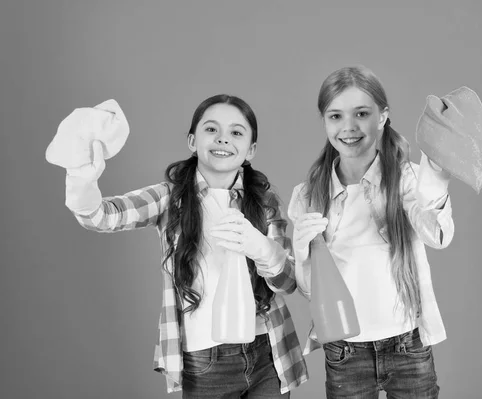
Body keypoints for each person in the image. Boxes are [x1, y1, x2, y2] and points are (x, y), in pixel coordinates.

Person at [61, 94, 308, 398]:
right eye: (211, 129)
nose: (223, 139)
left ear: (250, 149)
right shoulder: (169, 197)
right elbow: (100, 217)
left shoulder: (265, 202)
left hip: (267, 352)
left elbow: (287, 285)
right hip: (204, 360)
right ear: (192, 141)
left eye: (236, 132)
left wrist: (265, 250)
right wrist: (82, 176)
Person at [289, 66, 455, 398]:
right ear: (324, 121)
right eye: (335, 116)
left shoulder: (409, 179)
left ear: (382, 117)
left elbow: (438, 236)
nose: (348, 127)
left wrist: (435, 177)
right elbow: (310, 291)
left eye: (361, 113)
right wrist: (301, 254)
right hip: (345, 352)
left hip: (408, 346)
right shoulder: (308, 195)